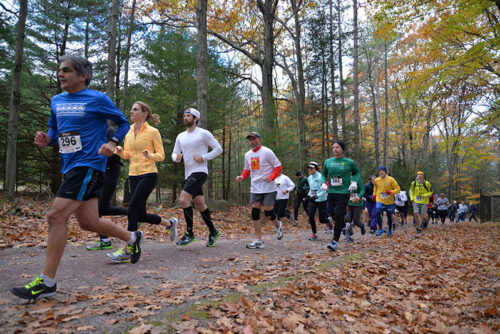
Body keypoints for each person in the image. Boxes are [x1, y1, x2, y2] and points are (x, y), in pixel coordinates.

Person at [10, 54, 143, 300]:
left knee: (55, 215)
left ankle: (47, 282)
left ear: (83, 76)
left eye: (67, 70)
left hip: (89, 165)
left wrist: (112, 142)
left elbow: (123, 123)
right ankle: (132, 237)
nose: (61, 74)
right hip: (70, 165)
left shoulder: (97, 98)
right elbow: (54, 128)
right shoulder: (57, 101)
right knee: (88, 222)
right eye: (60, 70)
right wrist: (47, 138)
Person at [107, 101, 178, 263]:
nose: (131, 112)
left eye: (135, 110)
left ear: (145, 113)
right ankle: (170, 223)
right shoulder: (129, 131)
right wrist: (119, 151)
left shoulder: (153, 132)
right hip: (133, 175)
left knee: (132, 208)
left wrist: (150, 155)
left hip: (149, 174)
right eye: (131, 109)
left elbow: (161, 155)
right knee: (141, 214)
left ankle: (129, 249)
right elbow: (127, 154)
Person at [172, 108, 223, 247]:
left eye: (188, 116)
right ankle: (213, 231)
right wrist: (176, 158)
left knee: (183, 199)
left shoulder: (203, 134)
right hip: (188, 173)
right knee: (200, 204)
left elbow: (219, 149)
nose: (185, 118)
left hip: (200, 171)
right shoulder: (180, 136)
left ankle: (190, 233)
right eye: (184, 116)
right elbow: (174, 153)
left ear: (195, 119)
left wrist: (204, 157)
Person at [236, 132, 283, 249]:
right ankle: (258, 240)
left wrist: (271, 177)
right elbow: (247, 169)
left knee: (268, 212)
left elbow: (278, 167)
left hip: (268, 187)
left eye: (254, 139)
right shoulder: (248, 155)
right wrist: (242, 176)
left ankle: (278, 225)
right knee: (255, 211)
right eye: (250, 140)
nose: (251, 142)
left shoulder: (267, 152)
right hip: (255, 187)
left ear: (259, 139)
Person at [86, 123, 129, 251]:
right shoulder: (94, 130)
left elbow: (118, 148)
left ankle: (105, 240)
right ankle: (133, 212)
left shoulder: (109, 130)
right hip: (100, 171)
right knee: (103, 208)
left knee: (99, 209)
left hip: (111, 170)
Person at [320, 141, 360, 251]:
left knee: (338, 215)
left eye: (337, 147)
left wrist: (354, 182)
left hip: (344, 193)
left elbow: (357, 173)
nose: (335, 149)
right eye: (333, 147)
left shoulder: (349, 162)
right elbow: (323, 174)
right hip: (332, 192)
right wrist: (323, 183)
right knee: (333, 214)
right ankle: (346, 225)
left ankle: (334, 242)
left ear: (342, 149)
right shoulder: (328, 162)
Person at [373, 166, 400, 237]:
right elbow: (375, 188)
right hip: (380, 199)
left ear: (385, 171)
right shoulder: (376, 180)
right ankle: (380, 229)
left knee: (389, 215)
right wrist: (374, 195)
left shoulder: (391, 179)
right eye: (379, 171)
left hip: (389, 201)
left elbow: (398, 189)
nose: (381, 172)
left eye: (382, 170)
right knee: (378, 211)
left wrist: (391, 192)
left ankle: (390, 230)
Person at [305, 162, 329, 241]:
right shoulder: (309, 178)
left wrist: (316, 196)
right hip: (313, 200)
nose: (310, 170)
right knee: (311, 216)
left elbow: (324, 192)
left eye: (312, 168)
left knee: (322, 219)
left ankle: (329, 221)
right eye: (309, 168)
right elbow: (311, 190)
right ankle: (314, 234)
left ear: (316, 168)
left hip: (322, 199)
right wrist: (308, 196)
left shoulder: (321, 177)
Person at [344, 173, 366, 243]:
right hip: (349, 203)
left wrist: (358, 197)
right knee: (347, 218)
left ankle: (362, 226)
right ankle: (350, 237)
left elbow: (362, 190)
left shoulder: (357, 178)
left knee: (356, 221)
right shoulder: (345, 178)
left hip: (358, 203)